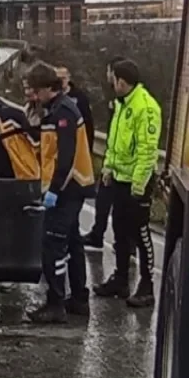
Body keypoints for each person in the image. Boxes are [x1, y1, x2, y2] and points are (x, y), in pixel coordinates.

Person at [23, 61, 95, 323]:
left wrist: (54, 190)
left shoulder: (63, 112)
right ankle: (78, 298)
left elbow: (65, 156)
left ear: (45, 88)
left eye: (34, 90)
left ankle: (55, 303)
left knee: (54, 245)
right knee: (73, 242)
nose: (32, 95)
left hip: (68, 188)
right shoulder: (56, 109)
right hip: (71, 187)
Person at [93, 59, 161, 308]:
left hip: (137, 183)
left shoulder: (145, 107)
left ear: (122, 82)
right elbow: (114, 141)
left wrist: (139, 185)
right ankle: (120, 279)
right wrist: (108, 168)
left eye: (114, 81)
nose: (112, 84)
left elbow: (147, 150)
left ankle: (147, 285)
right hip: (119, 179)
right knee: (119, 231)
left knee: (140, 234)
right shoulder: (122, 104)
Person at [82, 55, 128, 250]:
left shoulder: (125, 101)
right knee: (103, 202)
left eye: (109, 71)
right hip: (112, 160)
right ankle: (98, 233)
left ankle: (124, 245)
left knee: (118, 210)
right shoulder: (114, 97)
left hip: (122, 165)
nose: (106, 75)